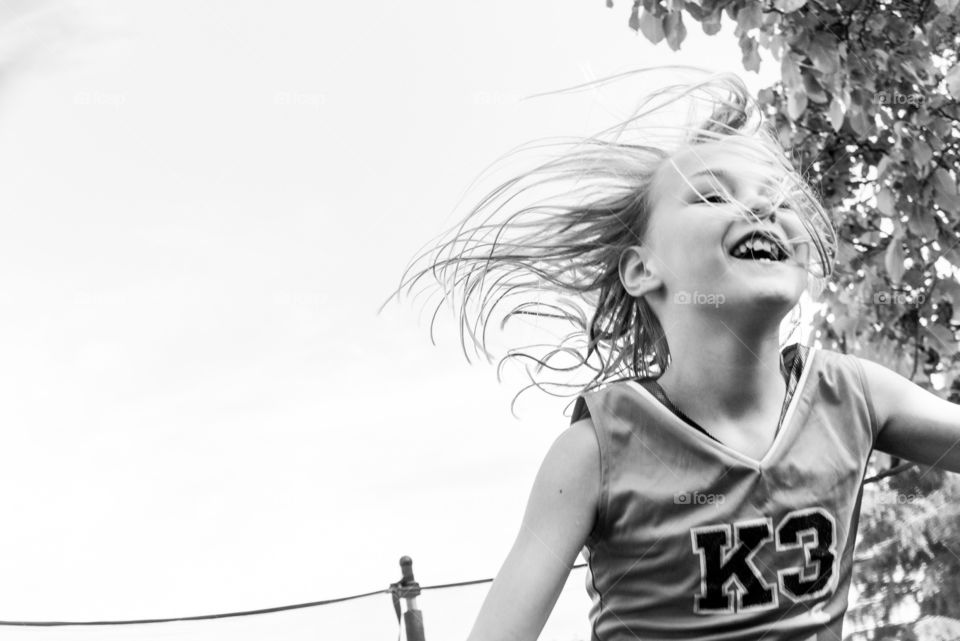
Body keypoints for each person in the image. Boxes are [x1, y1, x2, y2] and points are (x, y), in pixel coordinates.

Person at [384, 68, 960, 640]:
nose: (764, 210)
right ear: (641, 269)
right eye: (712, 193)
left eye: (779, 199)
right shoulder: (595, 453)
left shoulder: (853, 395)